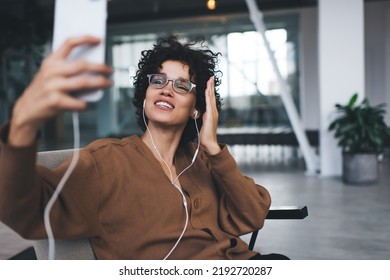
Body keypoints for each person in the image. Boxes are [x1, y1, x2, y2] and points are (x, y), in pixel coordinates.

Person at [0, 35, 287, 260]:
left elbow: (252, 214)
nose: (166, 89)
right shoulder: (106, 161)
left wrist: (212, 147)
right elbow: (29, 211)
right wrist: (21, 128)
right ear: (145, 94)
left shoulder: (202, 161)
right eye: (158, 80)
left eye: (182, 85)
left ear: (197, 109)